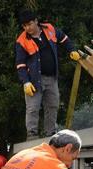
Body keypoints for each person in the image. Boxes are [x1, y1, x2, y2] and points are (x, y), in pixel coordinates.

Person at [15, 10, 80, 140]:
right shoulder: (21, 40)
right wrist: (25, 82)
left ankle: (50, 134)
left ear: (36, 21)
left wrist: (72, 50)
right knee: (32, 108)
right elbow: (20, 64)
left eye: (29, 24)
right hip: (33, 81)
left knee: (52, 105)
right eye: (24, 26)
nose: (27, 28)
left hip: (52, 78)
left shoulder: (49, 29)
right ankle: (32, 136)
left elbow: (64, 39)